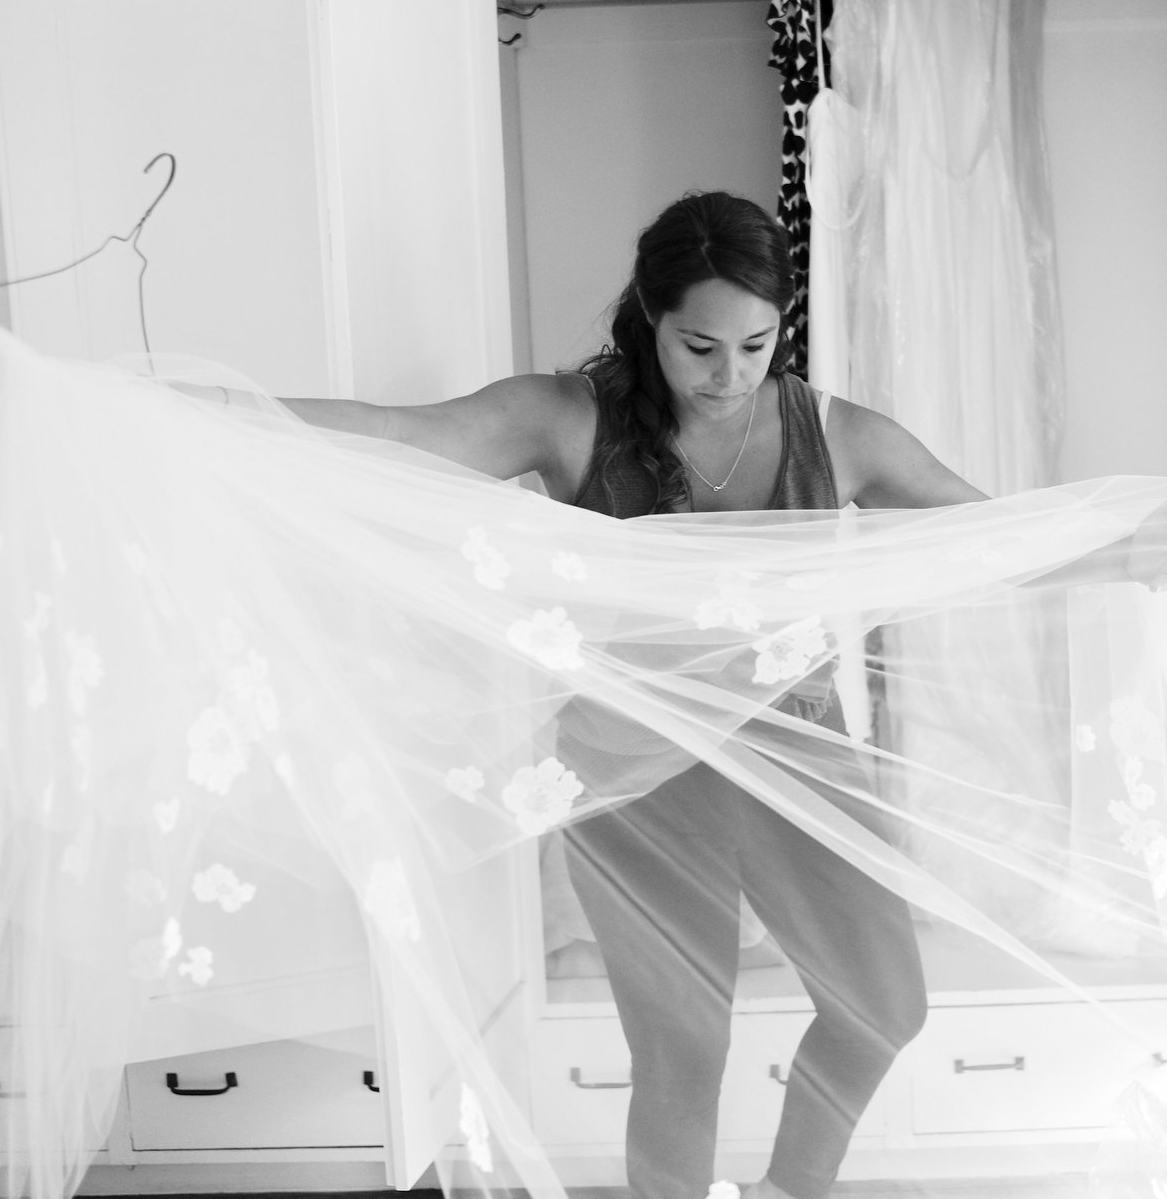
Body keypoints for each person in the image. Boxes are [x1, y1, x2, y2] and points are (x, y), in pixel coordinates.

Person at [272, 191, 987, 1199]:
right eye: (699, 345)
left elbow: (996, 530)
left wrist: (1144, 547)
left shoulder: (840, 433)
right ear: (648, 318)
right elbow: (402, 431)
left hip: (795, 752)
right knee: (683, 1046)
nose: (729, 376)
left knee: (882, 1004)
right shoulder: (567, 416)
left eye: (757, 342)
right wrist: (233, 415)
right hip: (632, 769)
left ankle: (794, 1189)